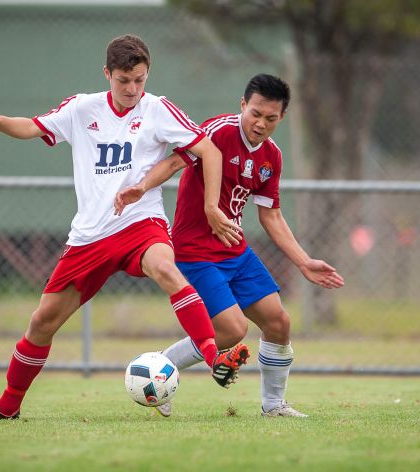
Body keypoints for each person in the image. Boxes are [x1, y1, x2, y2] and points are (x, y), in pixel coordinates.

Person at [0, 34, 249, 421]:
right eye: (124, 80)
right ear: (107, 73)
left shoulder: (158, 109)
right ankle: (6, 407)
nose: (132, 89)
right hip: (91, 236)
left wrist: (212, 206)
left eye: (139, 80)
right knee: (42, 322)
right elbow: (31, 126)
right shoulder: (81, 108)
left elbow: (208, 150)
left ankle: (214, 357)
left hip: (141, 222)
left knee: (165, 267)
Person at [114, 73, 344, 418]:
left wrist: (304, 261)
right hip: (195, 252)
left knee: (279, 323)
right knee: (233, 330)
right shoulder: (218, 132)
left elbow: (272, 217)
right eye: (255, 113)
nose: (260, 123)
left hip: (236, 252)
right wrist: (142, 187)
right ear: (243, 105)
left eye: (270, 118)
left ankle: (274, 406)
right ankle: (159, 372)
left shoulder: (272, 157)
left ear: (281, 118)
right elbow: (176, 161)